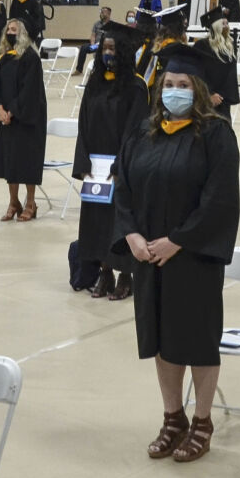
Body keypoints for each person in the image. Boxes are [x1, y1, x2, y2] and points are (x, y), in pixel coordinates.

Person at [112, 52, 240, 464]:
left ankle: (202, 421)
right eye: (169, 84)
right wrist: (130, 233)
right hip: (148, 255)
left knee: (198, 340)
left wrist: (179, 240)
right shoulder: (143, 132)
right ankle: (173, 418)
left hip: (193, 258)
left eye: (184, 86)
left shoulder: (216, 136)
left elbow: (219, 200)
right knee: (161, 339)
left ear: (198, 90)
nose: (175, 92)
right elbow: (124, 187)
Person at [74, 25, 150, 300]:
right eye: (105, 48)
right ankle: (104, 271)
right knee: (96, 223)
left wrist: (121, 166)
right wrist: (83, 161)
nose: (108, 54)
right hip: (95, 167)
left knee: (122, 221)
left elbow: (135, 131)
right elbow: (83, 123)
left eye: (114, 49)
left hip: (121, 168)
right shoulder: (95, 83)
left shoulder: (136, 87)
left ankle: (126, 275)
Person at [0, 19, 48, 221]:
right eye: (8, 29)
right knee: (10, 160)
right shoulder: (4, 58)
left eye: (14, 30)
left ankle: (31, 203)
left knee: (27, 160)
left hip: (27, 118)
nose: (10, 32)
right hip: (6, 118)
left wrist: (12, 112)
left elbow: (30, 91)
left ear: (22, 33)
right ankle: (13, 201)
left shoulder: (30, 58)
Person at [75, 6, 112, 74]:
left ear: (109, 14)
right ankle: (79, 70)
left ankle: (98, 69)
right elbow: (93, 35)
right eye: (101, 12)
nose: (101, 13)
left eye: (103, 12)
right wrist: (92, 44)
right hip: (96, 44)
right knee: (83, 47)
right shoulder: (97, 24)